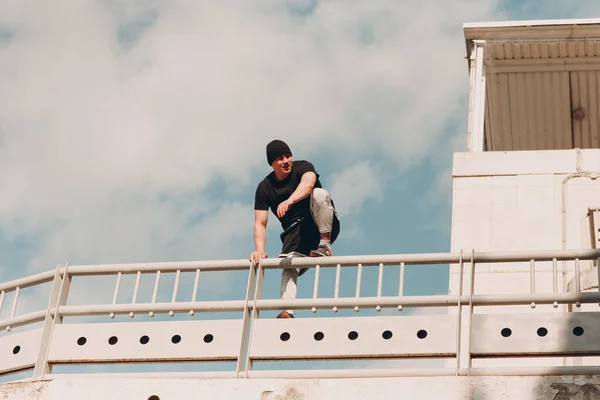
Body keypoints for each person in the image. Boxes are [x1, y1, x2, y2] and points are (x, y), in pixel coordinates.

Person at [249, 140, 340, 318]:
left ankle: (324, 245)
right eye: (280, 158)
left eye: (288, 156)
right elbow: (260, 222)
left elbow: (308, 185)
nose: (286, 161)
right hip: (297, 233)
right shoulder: (264, 188)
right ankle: (287, 311)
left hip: (320, 222)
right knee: (288, 264)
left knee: (320, 194)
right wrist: (260, 250)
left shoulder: (303, 167)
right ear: (272, 163)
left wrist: (290, 200)